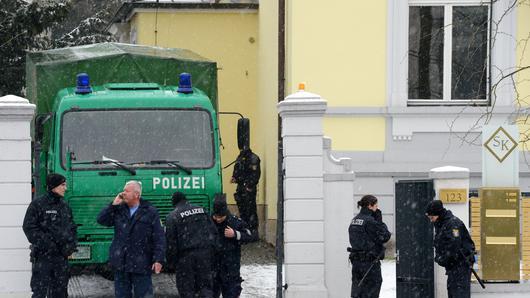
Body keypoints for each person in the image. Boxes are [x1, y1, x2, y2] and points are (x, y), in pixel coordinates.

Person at [97, 181, 165, 298]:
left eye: (127, 191)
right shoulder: (119, 209)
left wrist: (158, 259)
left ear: (136, 195)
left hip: (141, 263)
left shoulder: (150, 211)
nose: (123, 193)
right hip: (121, 263)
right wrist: (113, 205)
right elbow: (101, 220)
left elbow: (159, 237)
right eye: (123, 190)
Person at [23, 173, 77, 298]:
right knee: (40, 292)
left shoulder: (65, 206)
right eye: (63, 185)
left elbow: (72, 228)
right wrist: (48, 244)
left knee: (60, 292)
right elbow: (29, 228)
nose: (66, 188)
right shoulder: (38, 204)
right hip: (43, 258)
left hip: (61, 259)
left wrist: (71, 245)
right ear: (54, 186)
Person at [165, 192, 217, 298]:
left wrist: (170, 263)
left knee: (187, 289)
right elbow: (214, 232)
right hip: (205, 255)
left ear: (174, 203)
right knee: (205, 288)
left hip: (185, 258)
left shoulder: (172, 216)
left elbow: (171, 243)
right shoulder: (202, 210)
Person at [425, 200, 475, 298]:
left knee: (459, 293)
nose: (431, 220)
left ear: (438, 214)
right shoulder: (442, 223)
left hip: (461, 265)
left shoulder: (453, 224)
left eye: (432, 217)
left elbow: (453, 246)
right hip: (454, 266)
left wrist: (442, 259)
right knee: (453, 292)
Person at [211, 194, 256, 298]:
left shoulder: (235, 222)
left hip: (230, 268)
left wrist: (235, 234)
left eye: (220, 217)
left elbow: (251, 236)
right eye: (216, 216)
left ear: (226, 214)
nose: (218, 219)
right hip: (213, 268)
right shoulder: (209, 222)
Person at [348, 195, 391, 298]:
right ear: (370, 206)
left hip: (357, 264)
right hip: (369, 264)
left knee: (358, 292)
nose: (377, 208)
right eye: (376, 206)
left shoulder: (355, 220)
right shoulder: (370, 221)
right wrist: (379, 220)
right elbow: (385, 236)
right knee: (371, 292)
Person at [231, 147, 260, 234]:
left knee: (250, 210)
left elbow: (255, 174)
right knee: (242, 210)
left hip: (248, 188)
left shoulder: (253, 158)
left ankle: (252, 232)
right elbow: (237, 168)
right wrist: (234, 177)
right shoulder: (240, 157)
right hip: (241, 187)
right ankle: (245, 231)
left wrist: (250, 185)